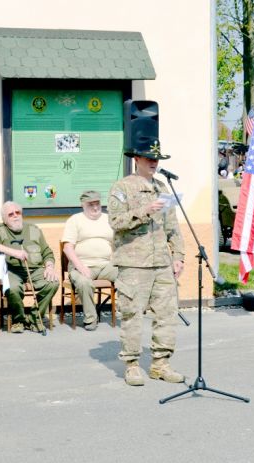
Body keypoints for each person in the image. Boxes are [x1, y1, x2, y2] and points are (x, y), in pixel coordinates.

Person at [108, 139, 186, 386]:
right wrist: (145, 211)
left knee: (167, 315)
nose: (154, 162)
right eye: (149, 158)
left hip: (161, 262)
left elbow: (173, 227)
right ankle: (131, 365)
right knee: (132, 314)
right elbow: (116, 222)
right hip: (134, 264)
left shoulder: (164, 188)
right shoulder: (122, 188)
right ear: (137, 160)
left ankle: (160, 364)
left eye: (157, 159)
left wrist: (178, 257)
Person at [0, 201, 59, 333]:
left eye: (18, 212)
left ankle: (35, 317)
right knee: (13, 288)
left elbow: (47, 252)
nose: (15, 216)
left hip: (35, 269)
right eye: (10, 214)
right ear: (4, 220)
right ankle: (19, 320)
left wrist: (50, 267)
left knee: (53, 283)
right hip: (12, 270)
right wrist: (13, 252)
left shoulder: (34, 229)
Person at [62, 190, 118, 331]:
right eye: (90, 204)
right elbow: (67, 248)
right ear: (83, 205)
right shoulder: (75, 220)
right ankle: (91, 319)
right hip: (82, 266)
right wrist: (81, 267)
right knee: (83, 282)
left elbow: (118, 244)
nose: (95, 207)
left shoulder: (108, 219)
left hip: (105, 266)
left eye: (97, 203)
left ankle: (129, 311)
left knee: (127, 274)